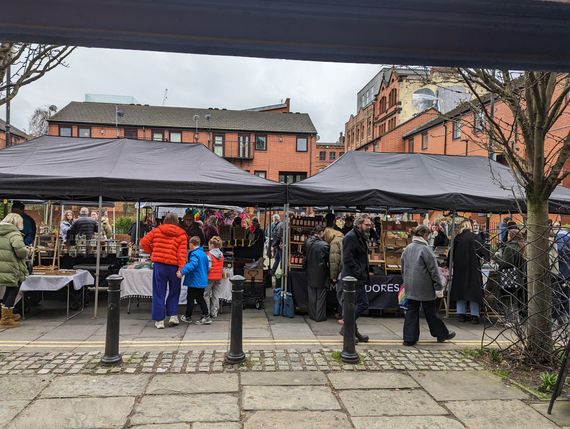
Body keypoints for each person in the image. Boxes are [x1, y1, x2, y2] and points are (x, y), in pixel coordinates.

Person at [401, 225, 455, 346]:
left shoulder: (408, 248)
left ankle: (409, 338)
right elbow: (433, 270)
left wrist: (405, 281)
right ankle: (441, 334)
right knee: (431, 312)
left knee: (411, 311)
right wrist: (438, 286)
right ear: (426, 235)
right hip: (425, 286)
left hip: (410, 285)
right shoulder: (425, 249)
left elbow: (403, 267)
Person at [140, 212, 187, 329]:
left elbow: (143, 243)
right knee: (174, 291)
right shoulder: (182, 235)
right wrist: (181, 269)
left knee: (159, 292)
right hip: (174, 266)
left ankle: (159, 320)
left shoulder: (157, 231)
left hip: (160, 265)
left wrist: (152, 251)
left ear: (165, 220)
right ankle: (173, 315)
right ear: (177, 222)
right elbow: (182, 254)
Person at [339, 213, 372, 343]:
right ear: (359, 225)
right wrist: (359, 272)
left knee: (354, 305)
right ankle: (346, 328)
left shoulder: (360, 236)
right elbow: (347, 258)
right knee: (363, 304)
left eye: (370, 224)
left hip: (358, 277)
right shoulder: (351, 237)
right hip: (353, 278)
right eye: (367, 224)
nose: (369, 227)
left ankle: (354, 331)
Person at [450, 220, 487, 324]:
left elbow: (450, 254)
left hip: (460, 269)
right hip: (473, 268)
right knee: (473, 292)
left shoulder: (457, 238)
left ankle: (460, 314)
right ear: (470, 226)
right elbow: (482, 251)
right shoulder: (475, 237)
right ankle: (475, 315)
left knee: (460, 291)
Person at [0, 213, 29, 327]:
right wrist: (27, 250)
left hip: (2, 265)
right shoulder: (14, 234)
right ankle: (6, 317)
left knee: (9, 288)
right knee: (13, 288)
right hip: (11, 265)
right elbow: (20, 251)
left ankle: (6, 314)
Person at [178, 236, 211, 325]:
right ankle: (204, 316)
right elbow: (207, 267)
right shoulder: (203, 253)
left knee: (192, 298)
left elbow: (192, 265)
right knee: (199, 298)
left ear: (192, 244)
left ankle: (190, 316)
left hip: (194, 280)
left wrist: (182, 272)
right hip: (201, 279)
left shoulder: (194, 254)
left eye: (189, 244)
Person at [304, 225, 330, 322]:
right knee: (321, 296)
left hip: (309, 271)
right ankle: (319, 316)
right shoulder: (325, 245)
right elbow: (328, 260)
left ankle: (312, 315)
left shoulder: (307, 242)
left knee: (312, 295)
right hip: (321, 273)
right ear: (321, 232)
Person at [204, 236, 224, 318]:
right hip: (218, 277)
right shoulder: (221, 255)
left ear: (212, 245)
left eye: (209, 245)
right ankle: (214, 312)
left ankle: (207, 312)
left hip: (210, 277)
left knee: (206, 295)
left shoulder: (209, 255)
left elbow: (208, 267)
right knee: (216, 294)